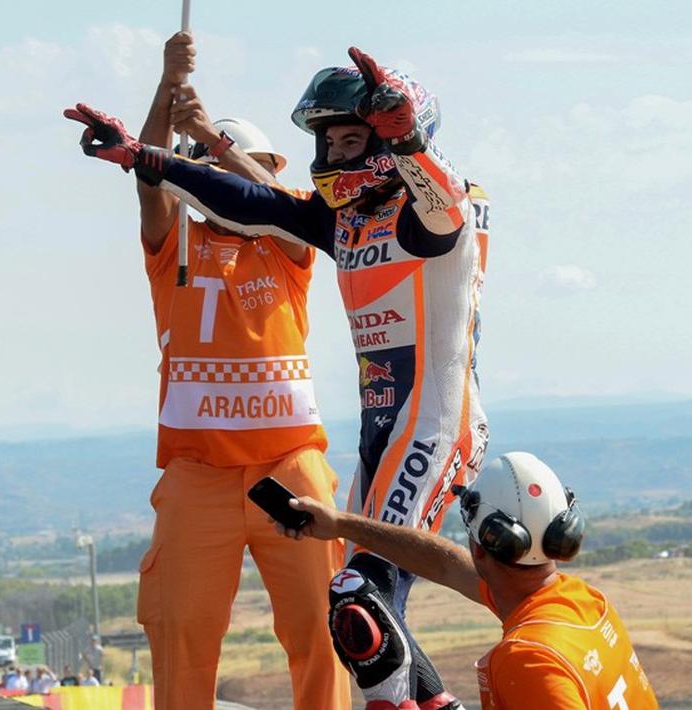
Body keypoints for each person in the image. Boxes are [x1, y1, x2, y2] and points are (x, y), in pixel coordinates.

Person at [66, 44, 490, 709]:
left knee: (352, 603)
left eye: (356, 139)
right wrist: (143, 154)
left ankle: (515, 616)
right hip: (340, 437)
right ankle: (431, 701)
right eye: (333, 142)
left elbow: (436, 207)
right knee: (362, 601)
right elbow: (235, 196)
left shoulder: (415, 215)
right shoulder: (330, 223)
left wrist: (403, 137)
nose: (340, 156)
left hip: (392, 433)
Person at [104, 31, 348, 710]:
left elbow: (280, 202)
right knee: (180, 635)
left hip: (288, 465)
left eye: (242, 165)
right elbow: (146, 172)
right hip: (198, 475)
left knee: (323, 631)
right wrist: (164, 87)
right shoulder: (171, 243)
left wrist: (212, 140)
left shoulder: (288, 247)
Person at [280, 452, 659, 709]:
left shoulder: (529, 660)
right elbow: (444, 563)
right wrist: (342, 525)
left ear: (481, 547)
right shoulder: (581, 602)